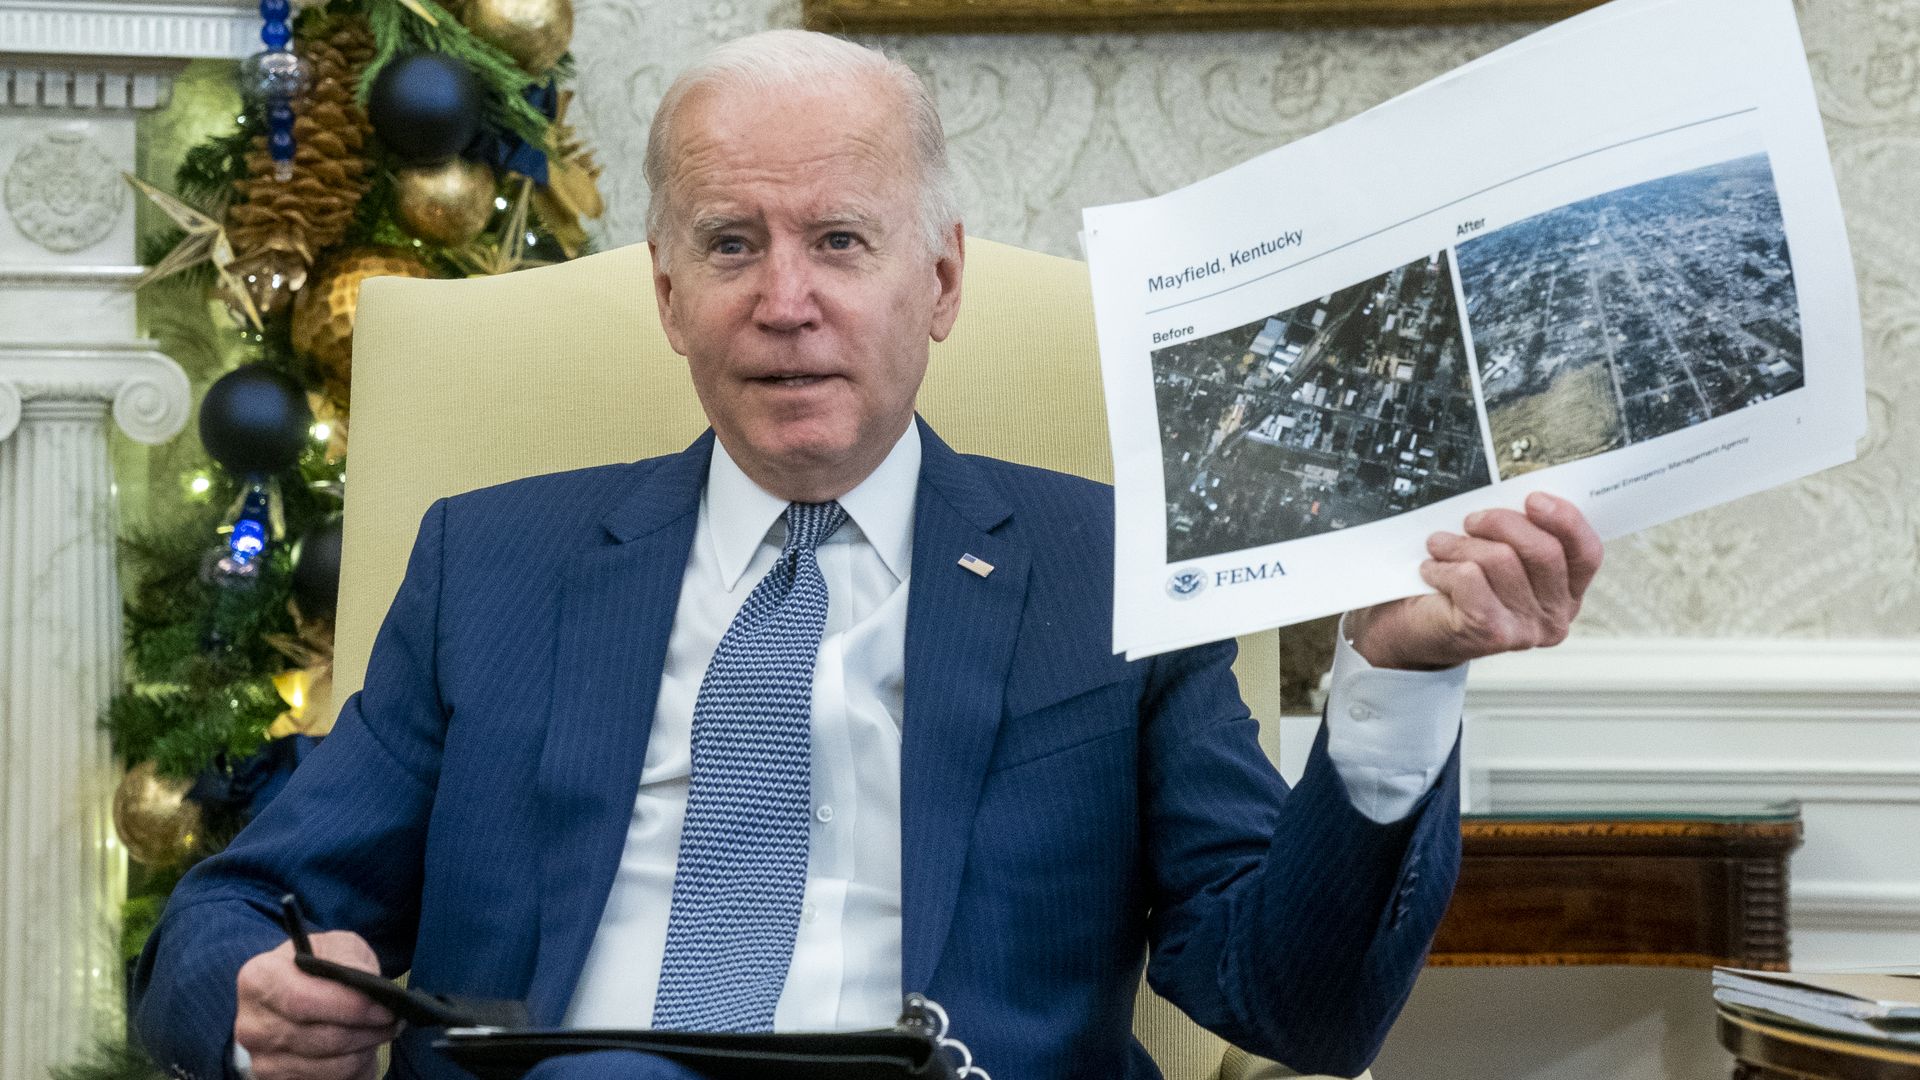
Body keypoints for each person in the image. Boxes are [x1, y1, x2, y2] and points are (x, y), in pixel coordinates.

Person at [132, 29, 1602, 1080]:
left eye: (840, 240)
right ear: (665, 293)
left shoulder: (1106, 575)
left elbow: (1295, 1005)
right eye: (729, 245)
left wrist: (1396, 685)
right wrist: (253, 1001)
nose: (785, 302)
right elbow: (234, 909)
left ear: (940, 278)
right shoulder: (492, 564)